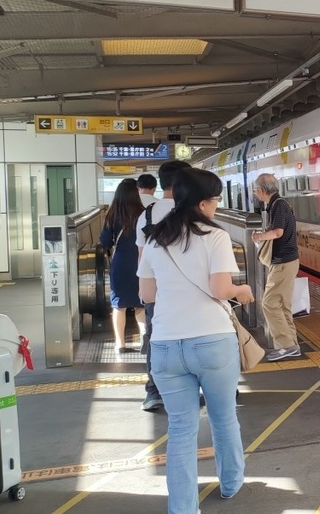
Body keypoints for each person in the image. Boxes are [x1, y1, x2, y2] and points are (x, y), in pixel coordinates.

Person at [138, 168, 253, 513]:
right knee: (222, 418)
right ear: (203, 203)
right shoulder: (215, 237)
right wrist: (241, 291)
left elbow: (146, 293)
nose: (217, 206)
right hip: (211, 342)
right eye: (216, 199)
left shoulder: (154, 237)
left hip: (166, 346)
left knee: (181, 430)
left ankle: (183, 508)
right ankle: (230, 483)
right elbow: (221, 289)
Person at [135, 160, 192, 412]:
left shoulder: (146, 215)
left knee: (155, 338)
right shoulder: (193, 212)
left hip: (157, 290)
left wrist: (143, 290)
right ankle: (194, 388)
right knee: (193, 337)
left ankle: (154, 391)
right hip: (191, 290)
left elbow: (141, 258)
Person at [251, 173, 301, 361]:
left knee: (269, 303)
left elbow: (278, 232)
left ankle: (286, 345)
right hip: (287, 261)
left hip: (283, 262)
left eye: (256, 191)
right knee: (283, 305)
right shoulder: (279, 204)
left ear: (262, 190)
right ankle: (292, 345)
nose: (256, 195)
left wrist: (259, 237)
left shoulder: (278, 205)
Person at [99, 179, 146, 353]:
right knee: (141, 304)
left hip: (120, 263)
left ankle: (120, 344)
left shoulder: (112, 214)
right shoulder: (143, 213)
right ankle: (144, 342)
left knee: (119, 306)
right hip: (141, 262)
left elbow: (105, 241)